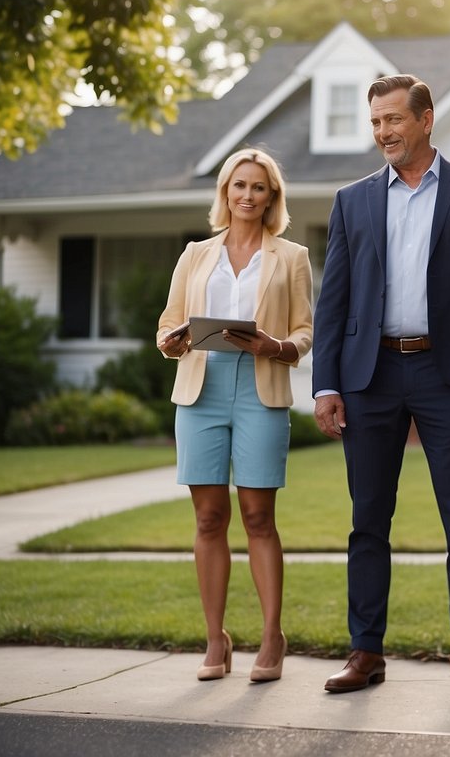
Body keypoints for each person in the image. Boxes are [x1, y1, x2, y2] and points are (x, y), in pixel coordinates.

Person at [312, 74, 450, 694]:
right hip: (369, 376)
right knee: (367, 519)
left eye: (394, 120)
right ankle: (364, 651)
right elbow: (334, 301)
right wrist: (327, 383)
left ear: (426, 120)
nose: (383, 132)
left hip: (449, 373)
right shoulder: (352, 200)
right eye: (376, 122)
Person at [156, 147, 313, 684]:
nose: (247, 195)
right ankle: (215, 639)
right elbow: (167, 326)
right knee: (207, 519)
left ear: (272, 197)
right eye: (238, 185)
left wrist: (275, 346)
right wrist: (173, 343)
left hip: (260, 389)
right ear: (225, 192)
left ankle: (272, 637)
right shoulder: (196, 254)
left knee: (257, 518)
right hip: (200, 390)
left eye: (258, 187)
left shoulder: (291, 256)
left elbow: (305, 334)